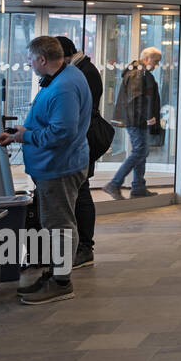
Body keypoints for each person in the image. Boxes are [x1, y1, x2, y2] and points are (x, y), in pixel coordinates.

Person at [0, 36, 91, 305]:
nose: (28, 63)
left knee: (59, 225)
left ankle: (62, 283)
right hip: (57, 165)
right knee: (55, 223)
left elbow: (61, 132)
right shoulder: (68, 72)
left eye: (29, 58)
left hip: (59, 167)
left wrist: (24, 137)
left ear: (42, 60)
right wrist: (22, 132)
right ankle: (55, 274)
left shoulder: (63, 87)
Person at [55, 37, 102, 270]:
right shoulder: (79, 70)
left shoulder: (83, 73)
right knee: (80, 192)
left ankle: (84, 247)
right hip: (79, 143)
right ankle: (80, 247)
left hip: (81, 143)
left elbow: (79, 113)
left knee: (82, 192)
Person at [106, 47, 163, 198]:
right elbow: (136, 99)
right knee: (140, 151)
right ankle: (114, 183)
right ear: (147, 59)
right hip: (136, 120)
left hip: (137, 120)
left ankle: (138, 187)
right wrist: (146, 117)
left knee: (141, 152)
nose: (157, 65)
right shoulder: (138, 73)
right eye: (156, 61)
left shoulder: (140, 72)